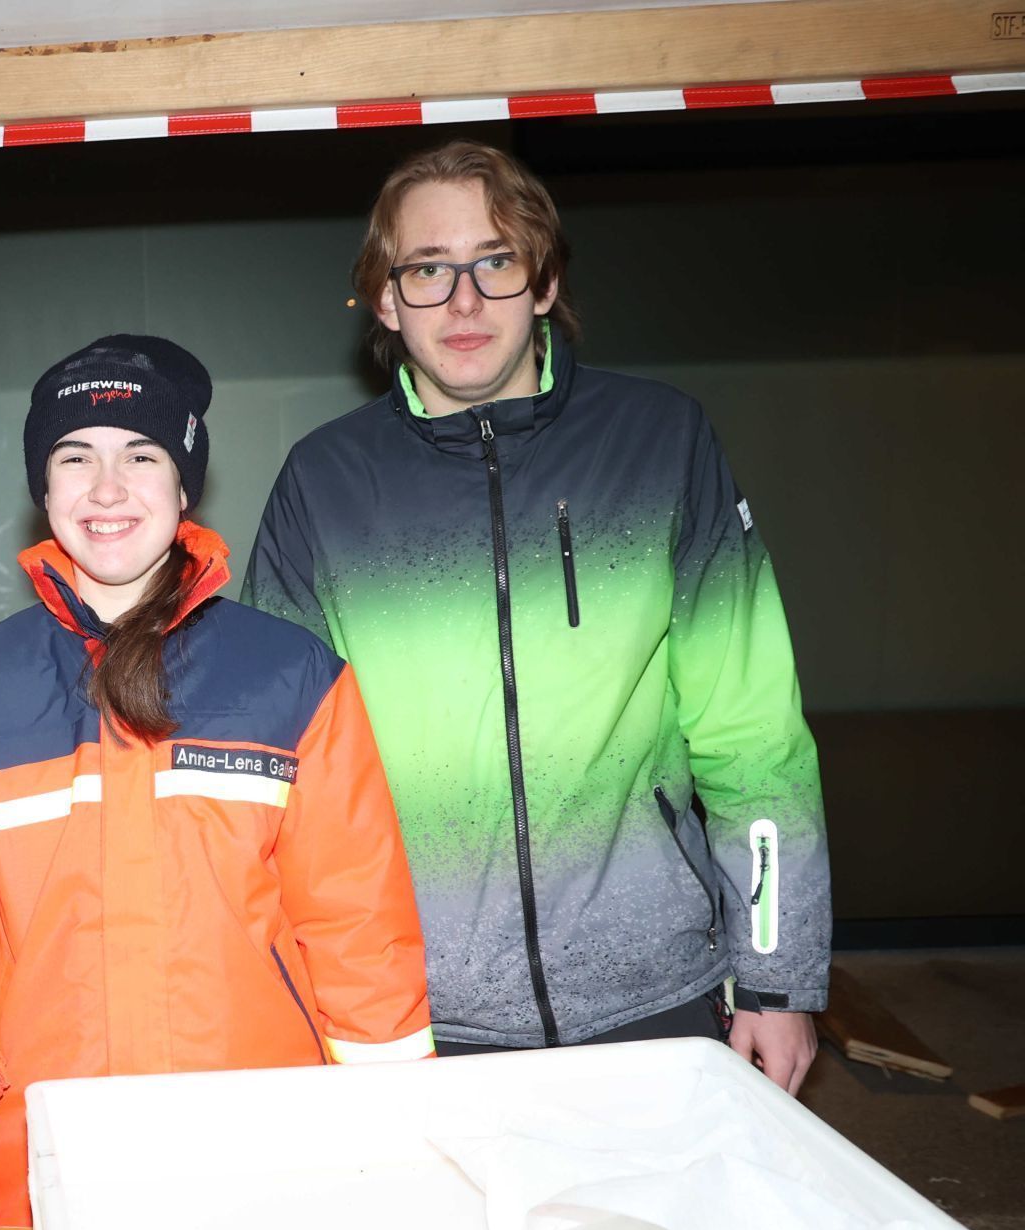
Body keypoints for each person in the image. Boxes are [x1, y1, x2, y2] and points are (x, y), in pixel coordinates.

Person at [244, 141, 828, 1089]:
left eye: (496, 261)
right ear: (386, 300)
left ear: (544, 281)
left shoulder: (661, 443)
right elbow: (277, 778)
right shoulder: (323, 484)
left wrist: (777, 978)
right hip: (413, 1014)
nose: (464, 301)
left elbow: (753, 732)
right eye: (429, 269)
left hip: (657, 998)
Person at [0, 336, 433, 1225]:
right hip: (44, 1154)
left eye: (141, 455)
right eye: (74, 457)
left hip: (268, 1157)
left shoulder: (290, 678)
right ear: (43, 488)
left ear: (183, 484)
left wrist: (398, 1139)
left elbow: (360, 931)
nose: (106, 488)